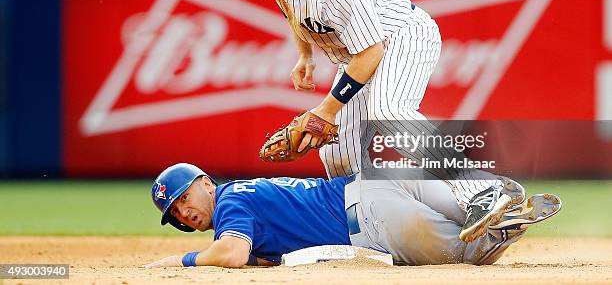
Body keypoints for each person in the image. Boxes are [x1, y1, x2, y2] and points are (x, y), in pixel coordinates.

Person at [246, 0, 516, 242]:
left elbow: (371, 51)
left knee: (389, 111)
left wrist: (326, 111)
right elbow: (288, 4)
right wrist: (306, 54)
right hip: (356, 52)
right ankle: (363, 232)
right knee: (339, 153)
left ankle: (483, 191)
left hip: (401, 35)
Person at [144, 163, 561, 268]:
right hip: (375, 179)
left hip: (370, 216)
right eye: (175, 212)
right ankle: (494, 198)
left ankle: (502, 232)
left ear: (204, 182)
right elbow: (259, 257)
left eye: (183, 198)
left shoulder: (231, 204)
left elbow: (232, 255)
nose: (185, 212)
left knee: (466, 254)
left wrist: (182, 260)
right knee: (471, 214)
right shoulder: (246, 193)